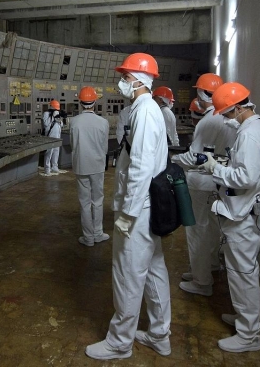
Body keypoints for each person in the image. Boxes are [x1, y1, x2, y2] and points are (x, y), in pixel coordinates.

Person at [85, 53, 171, 360]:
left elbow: (141, 168)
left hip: (139, 209)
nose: (121, 81)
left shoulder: (145, 111)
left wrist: (128, 215)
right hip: (145, 207)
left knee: (127, 274)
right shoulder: (144, 109)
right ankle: (160, 335)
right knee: (153, 270)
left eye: (125, 76)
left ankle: (120, 342)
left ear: (137, 79)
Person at [198, 82, 260, 353]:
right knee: (240, 272)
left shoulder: (251, 135)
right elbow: (244, 168)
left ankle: (249, 335)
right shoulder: (250, 130)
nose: (227, 120)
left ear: (239, 108)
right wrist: (225, 166)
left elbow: (246, 177)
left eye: (228, 114)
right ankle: (244, 320)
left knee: (243, 273)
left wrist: (216, 168)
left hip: (243, 215)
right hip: (241, 211)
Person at [171, 73, 236, 297]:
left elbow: (194, 157)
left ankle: (201, 281)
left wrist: (172, 160)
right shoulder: (229, 119)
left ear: (201, 93)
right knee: (211, 228)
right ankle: (208, 266)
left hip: (200, 183)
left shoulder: (208, 121)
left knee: (196, 229)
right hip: (219, 182)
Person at [70, 87, 110, 247]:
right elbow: (105, 147)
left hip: (81, 165)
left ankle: (88, 238)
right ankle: (98, 234)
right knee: (98, 200)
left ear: (80, 103)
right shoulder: (103, 122)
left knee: (84, 202)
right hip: (98, 165)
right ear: (95, 102)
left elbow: (73, 145)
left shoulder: (74, 122)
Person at [41, 99, 66, 176]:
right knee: (49, 152)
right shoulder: (46, 114)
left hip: (57, 136)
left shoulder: (57, 113)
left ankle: (55, 167)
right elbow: (46, 124)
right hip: (50, 136)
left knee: (56, 151)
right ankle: (47, 169)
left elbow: (61, 125)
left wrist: (59, 118)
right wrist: (53, 117)